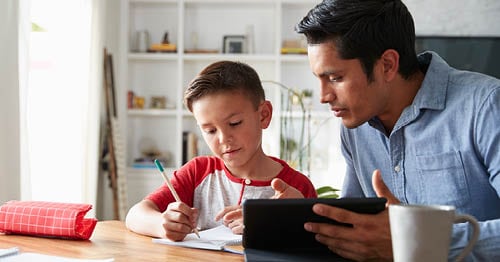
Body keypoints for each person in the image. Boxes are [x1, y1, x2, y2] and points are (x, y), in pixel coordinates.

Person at [272, 0, 500, 261]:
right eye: (319, 79)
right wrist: (301, 219)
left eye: (335, 78)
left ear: (388, 65)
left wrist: (416, 240)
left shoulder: (486, 105)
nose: (323, 96)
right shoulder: (355, 126)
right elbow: (355, 231)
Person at [125, 60, 317, 241]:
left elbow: (313, 247)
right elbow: (135, 215)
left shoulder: (296, 187)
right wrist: (162, 224)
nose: (224, 139)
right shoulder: (198, 172)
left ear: (264, 115)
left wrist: (290, 219)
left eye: (235, 123)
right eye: (210, 130)